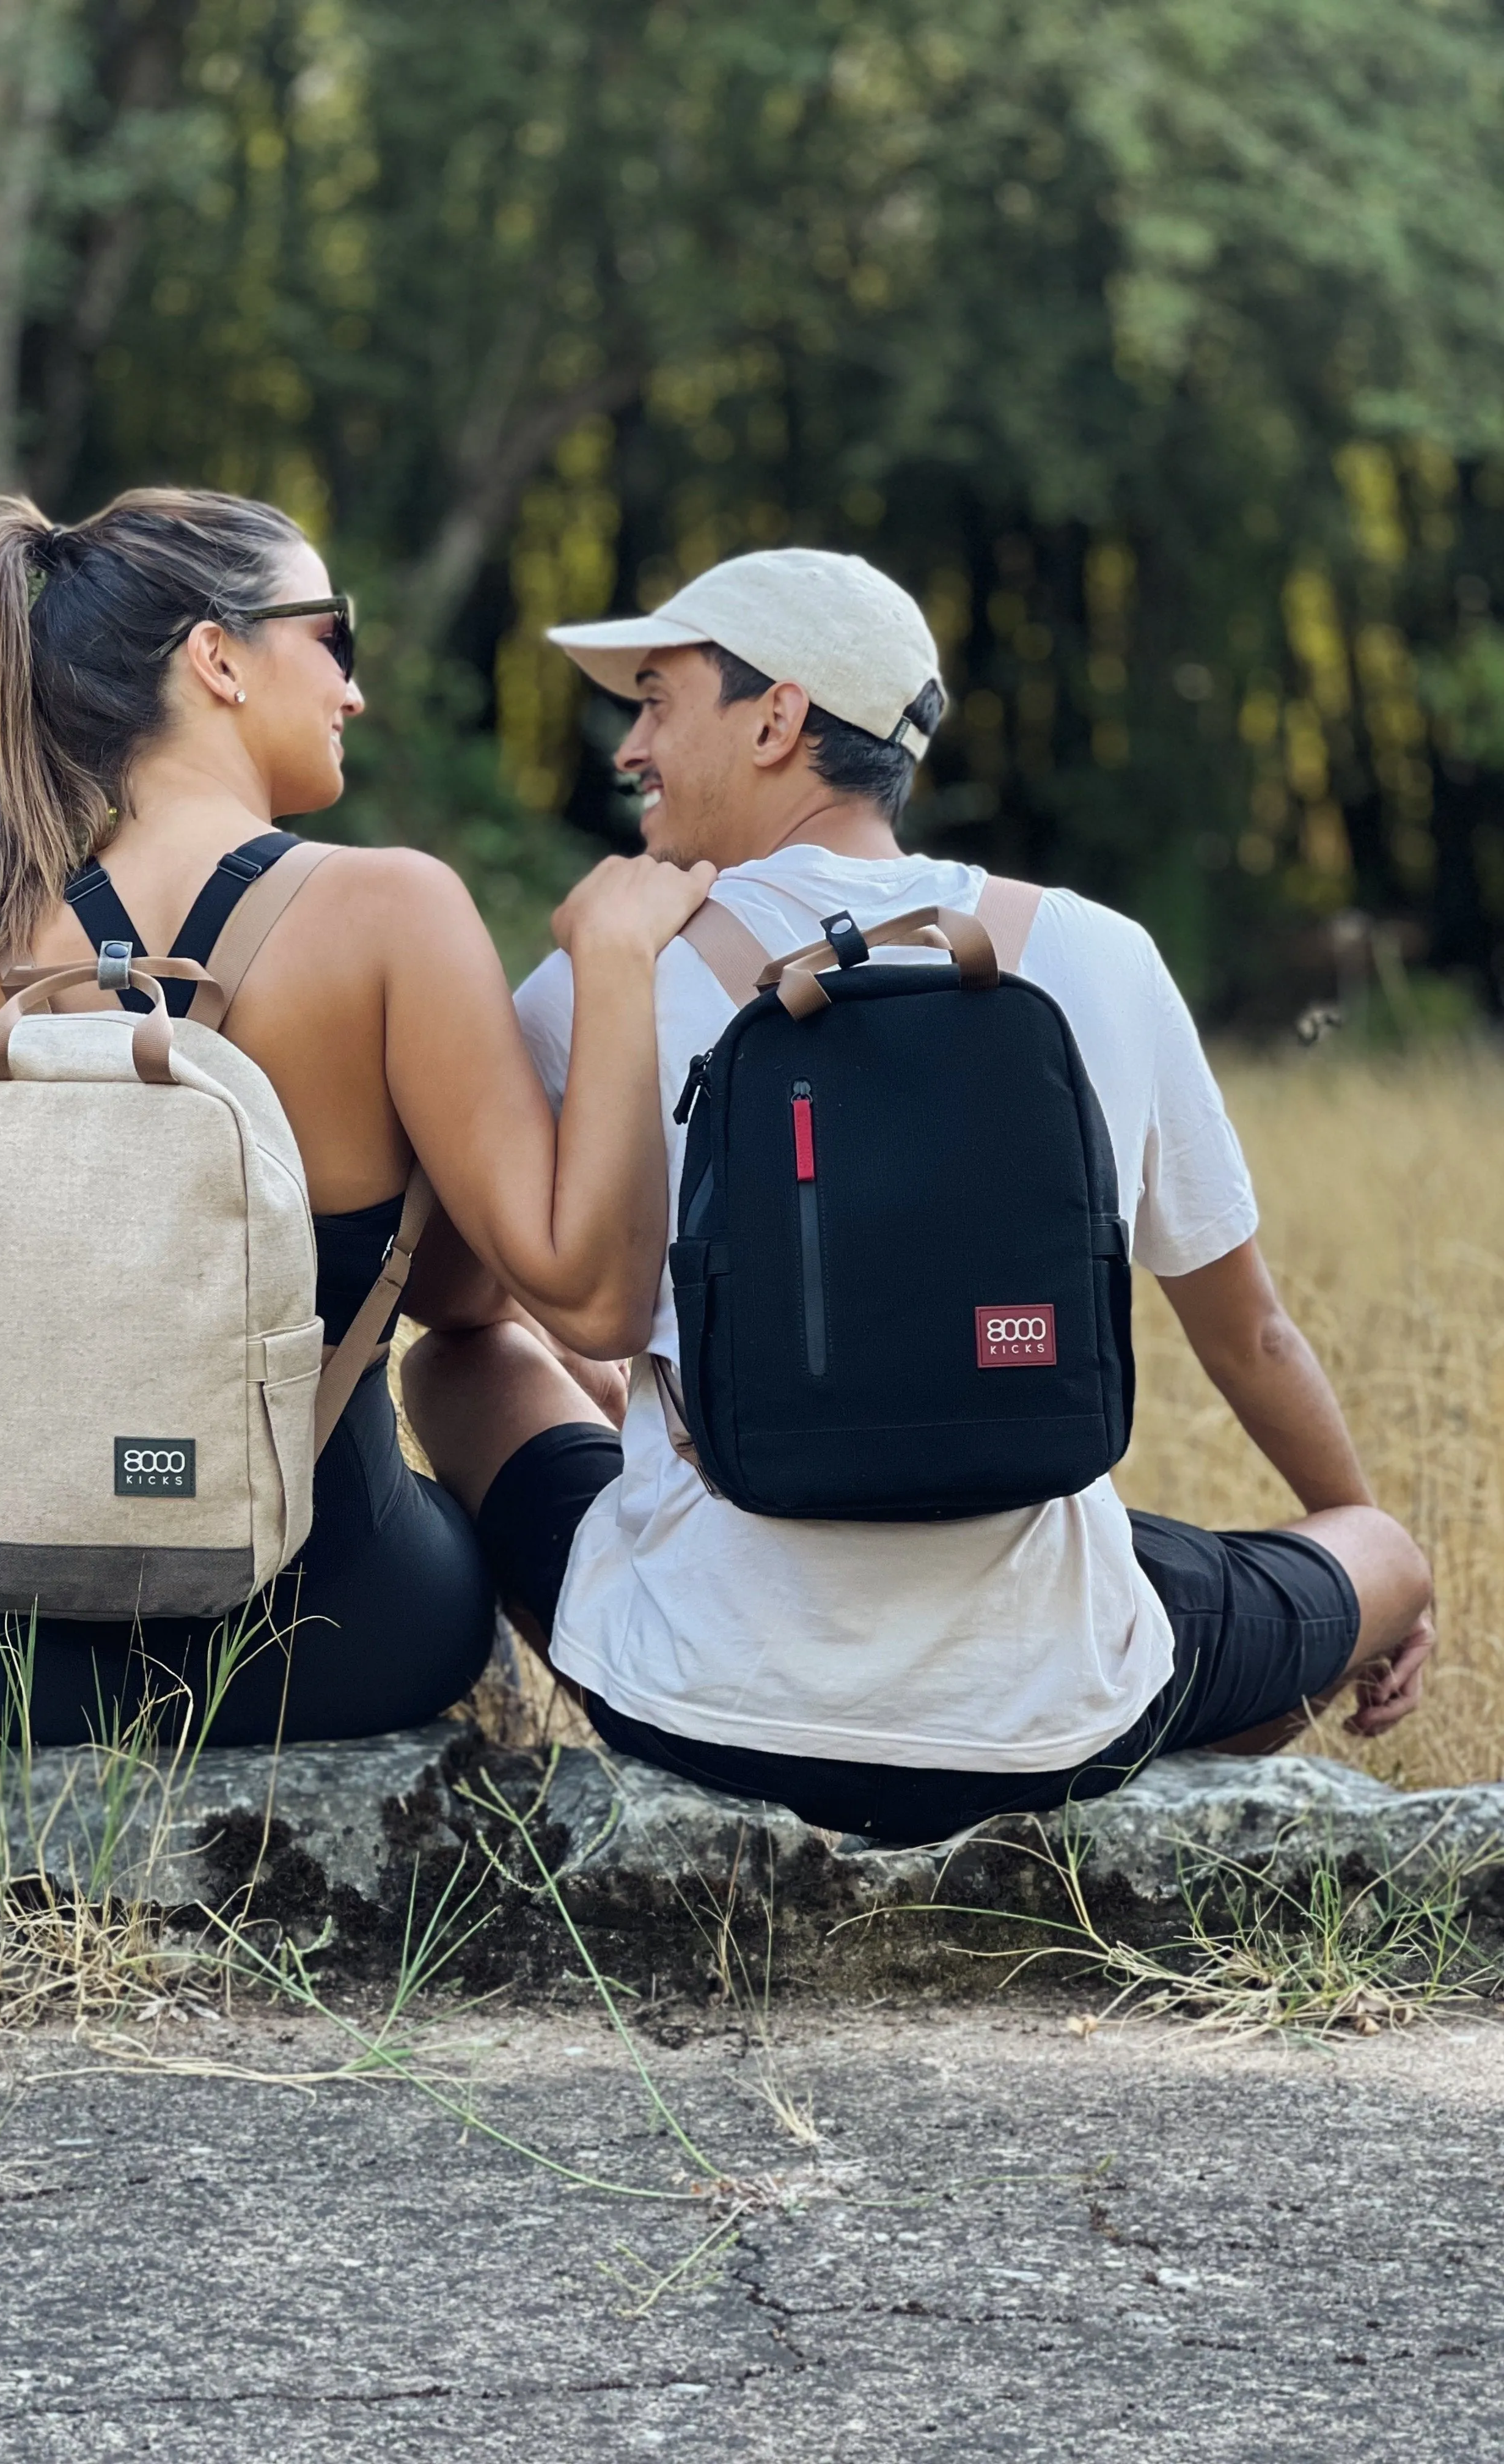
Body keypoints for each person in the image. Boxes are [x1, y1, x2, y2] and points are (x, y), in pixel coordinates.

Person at [403, 546, 1436, 1846]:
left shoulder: (600, 974)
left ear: (777, 716)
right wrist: (1362, 1535)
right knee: (1380, 1556)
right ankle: (1126, 1740)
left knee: (459, 1368)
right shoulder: (1102, 955)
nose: (628, 748)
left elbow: (456, 1297)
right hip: (1049, 1707)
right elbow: (1253, 1337)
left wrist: (629, 1368)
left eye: (658, 701)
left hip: (697, 1704)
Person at [0, 487, 710, 1750]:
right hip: (324, 1639)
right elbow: (590, 1303)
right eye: (331, 639)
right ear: (218, 657)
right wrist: (620, 974)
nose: (353, 689)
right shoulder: (389, 909)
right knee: (490, 1388)